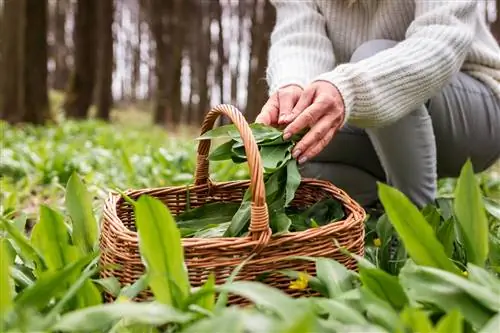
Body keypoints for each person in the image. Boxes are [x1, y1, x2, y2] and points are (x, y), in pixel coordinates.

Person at [255, 0, 500, 209]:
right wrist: (293, 88)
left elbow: (443, 38)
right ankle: (380, 213)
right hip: (373, 124)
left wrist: (351, 87)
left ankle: (417, 229)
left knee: (373, 55)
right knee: (295, 147)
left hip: (475, 114)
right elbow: (298, 37)